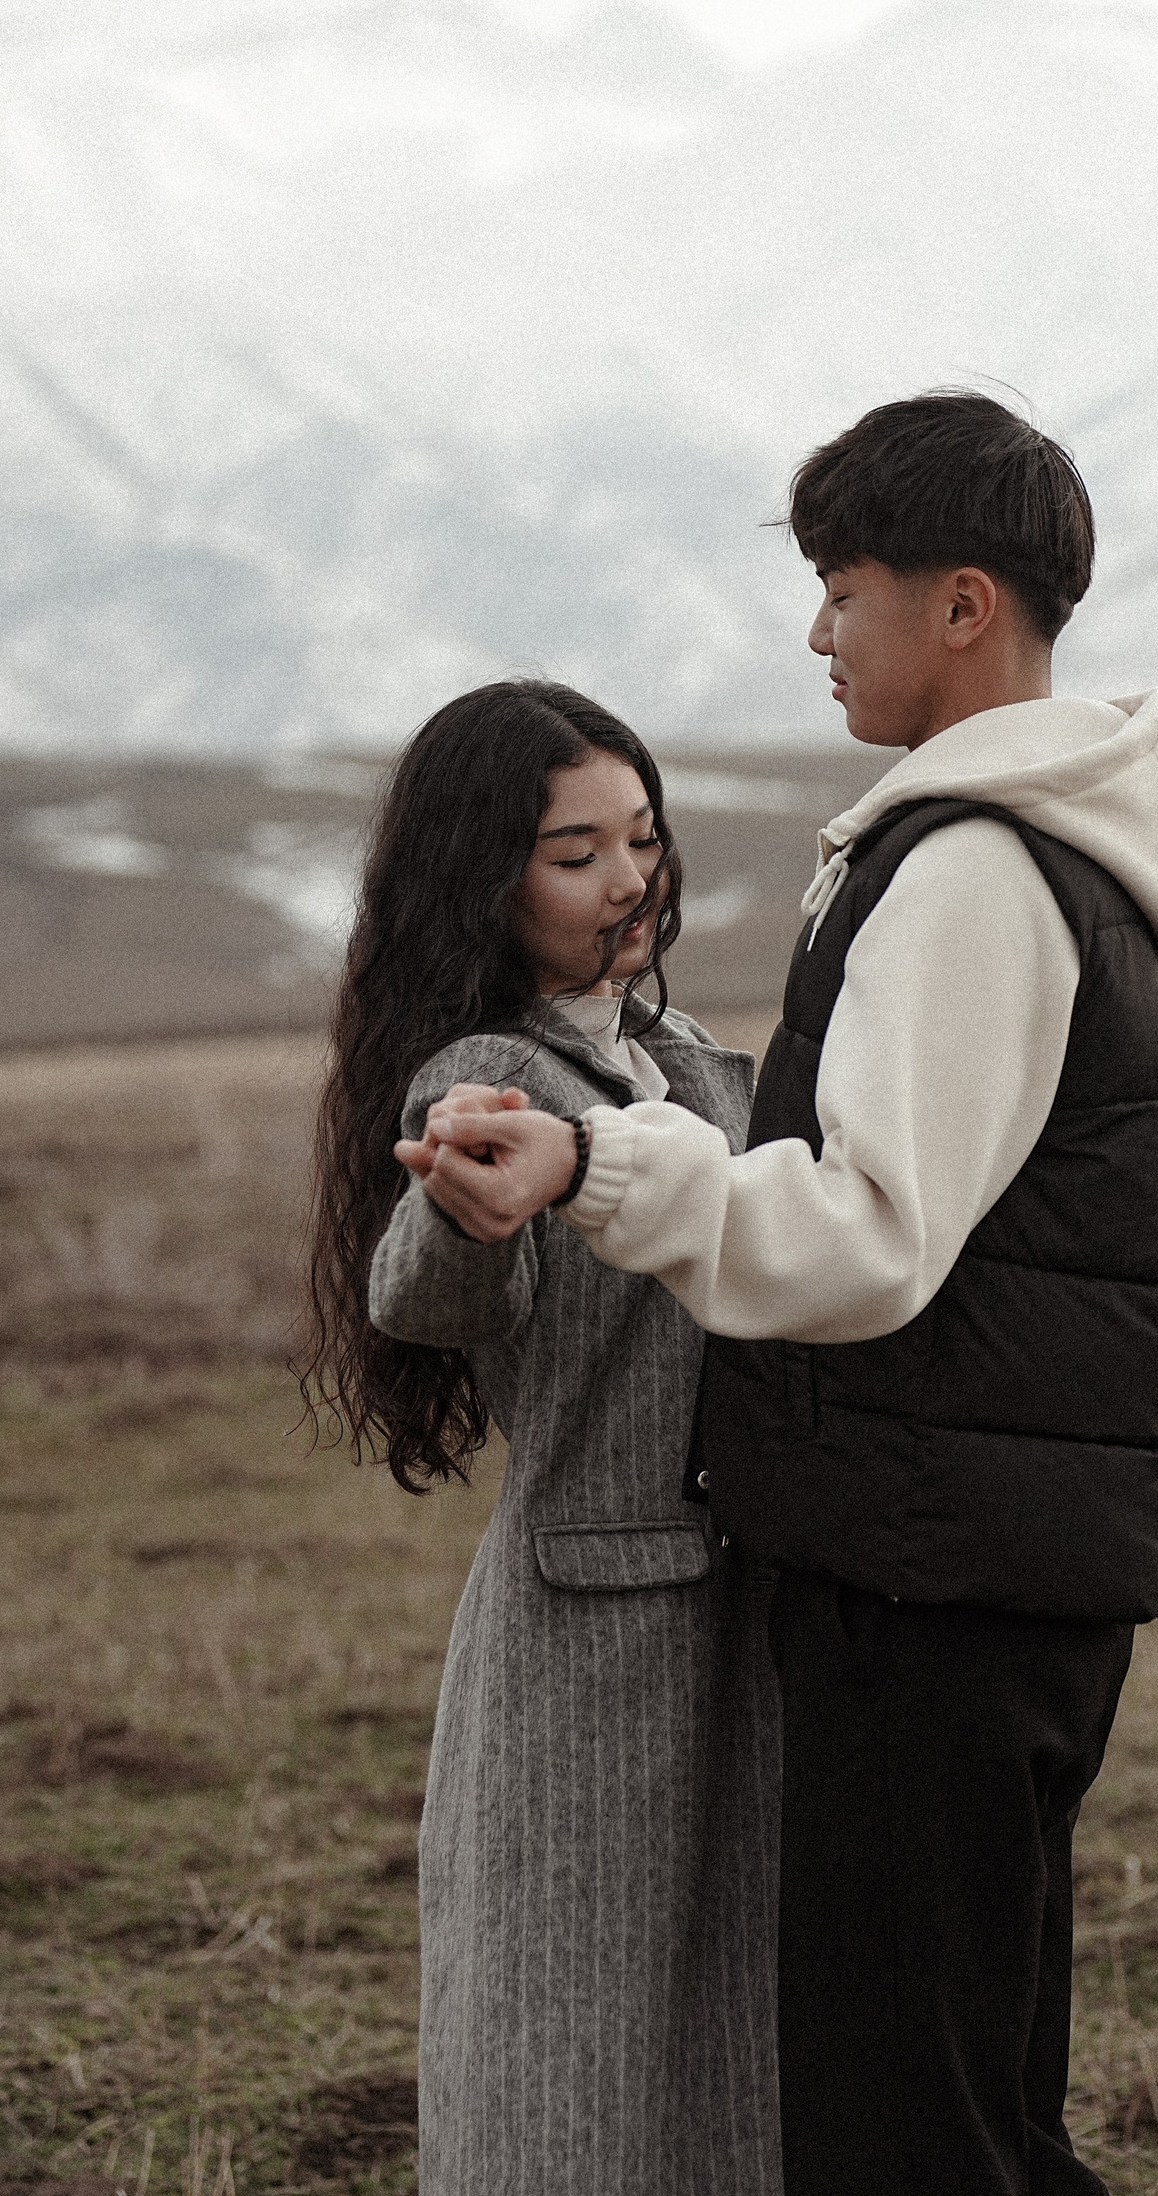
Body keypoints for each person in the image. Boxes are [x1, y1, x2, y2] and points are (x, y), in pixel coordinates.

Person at [414, 393, 1158, 2196]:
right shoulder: (1092, 858)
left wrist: (599, 1166)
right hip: (1016, 1551)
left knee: (904, 2129)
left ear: (963, 605)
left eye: (844, 590)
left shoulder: (974, 868)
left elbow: (872, 1231)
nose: (816, 634)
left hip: (933, 1567)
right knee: (981, 2106)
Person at [303, 680, 781, 2196]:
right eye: (576, 855)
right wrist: (458, 1209)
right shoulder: (480, 1079)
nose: (629, 879)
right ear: (485, 880)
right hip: (589, 1646)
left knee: (733, 2050)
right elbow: (428, 1293)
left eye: (643, 837)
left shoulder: (687, 1056)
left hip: (754, 1611)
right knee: (561, 2057)